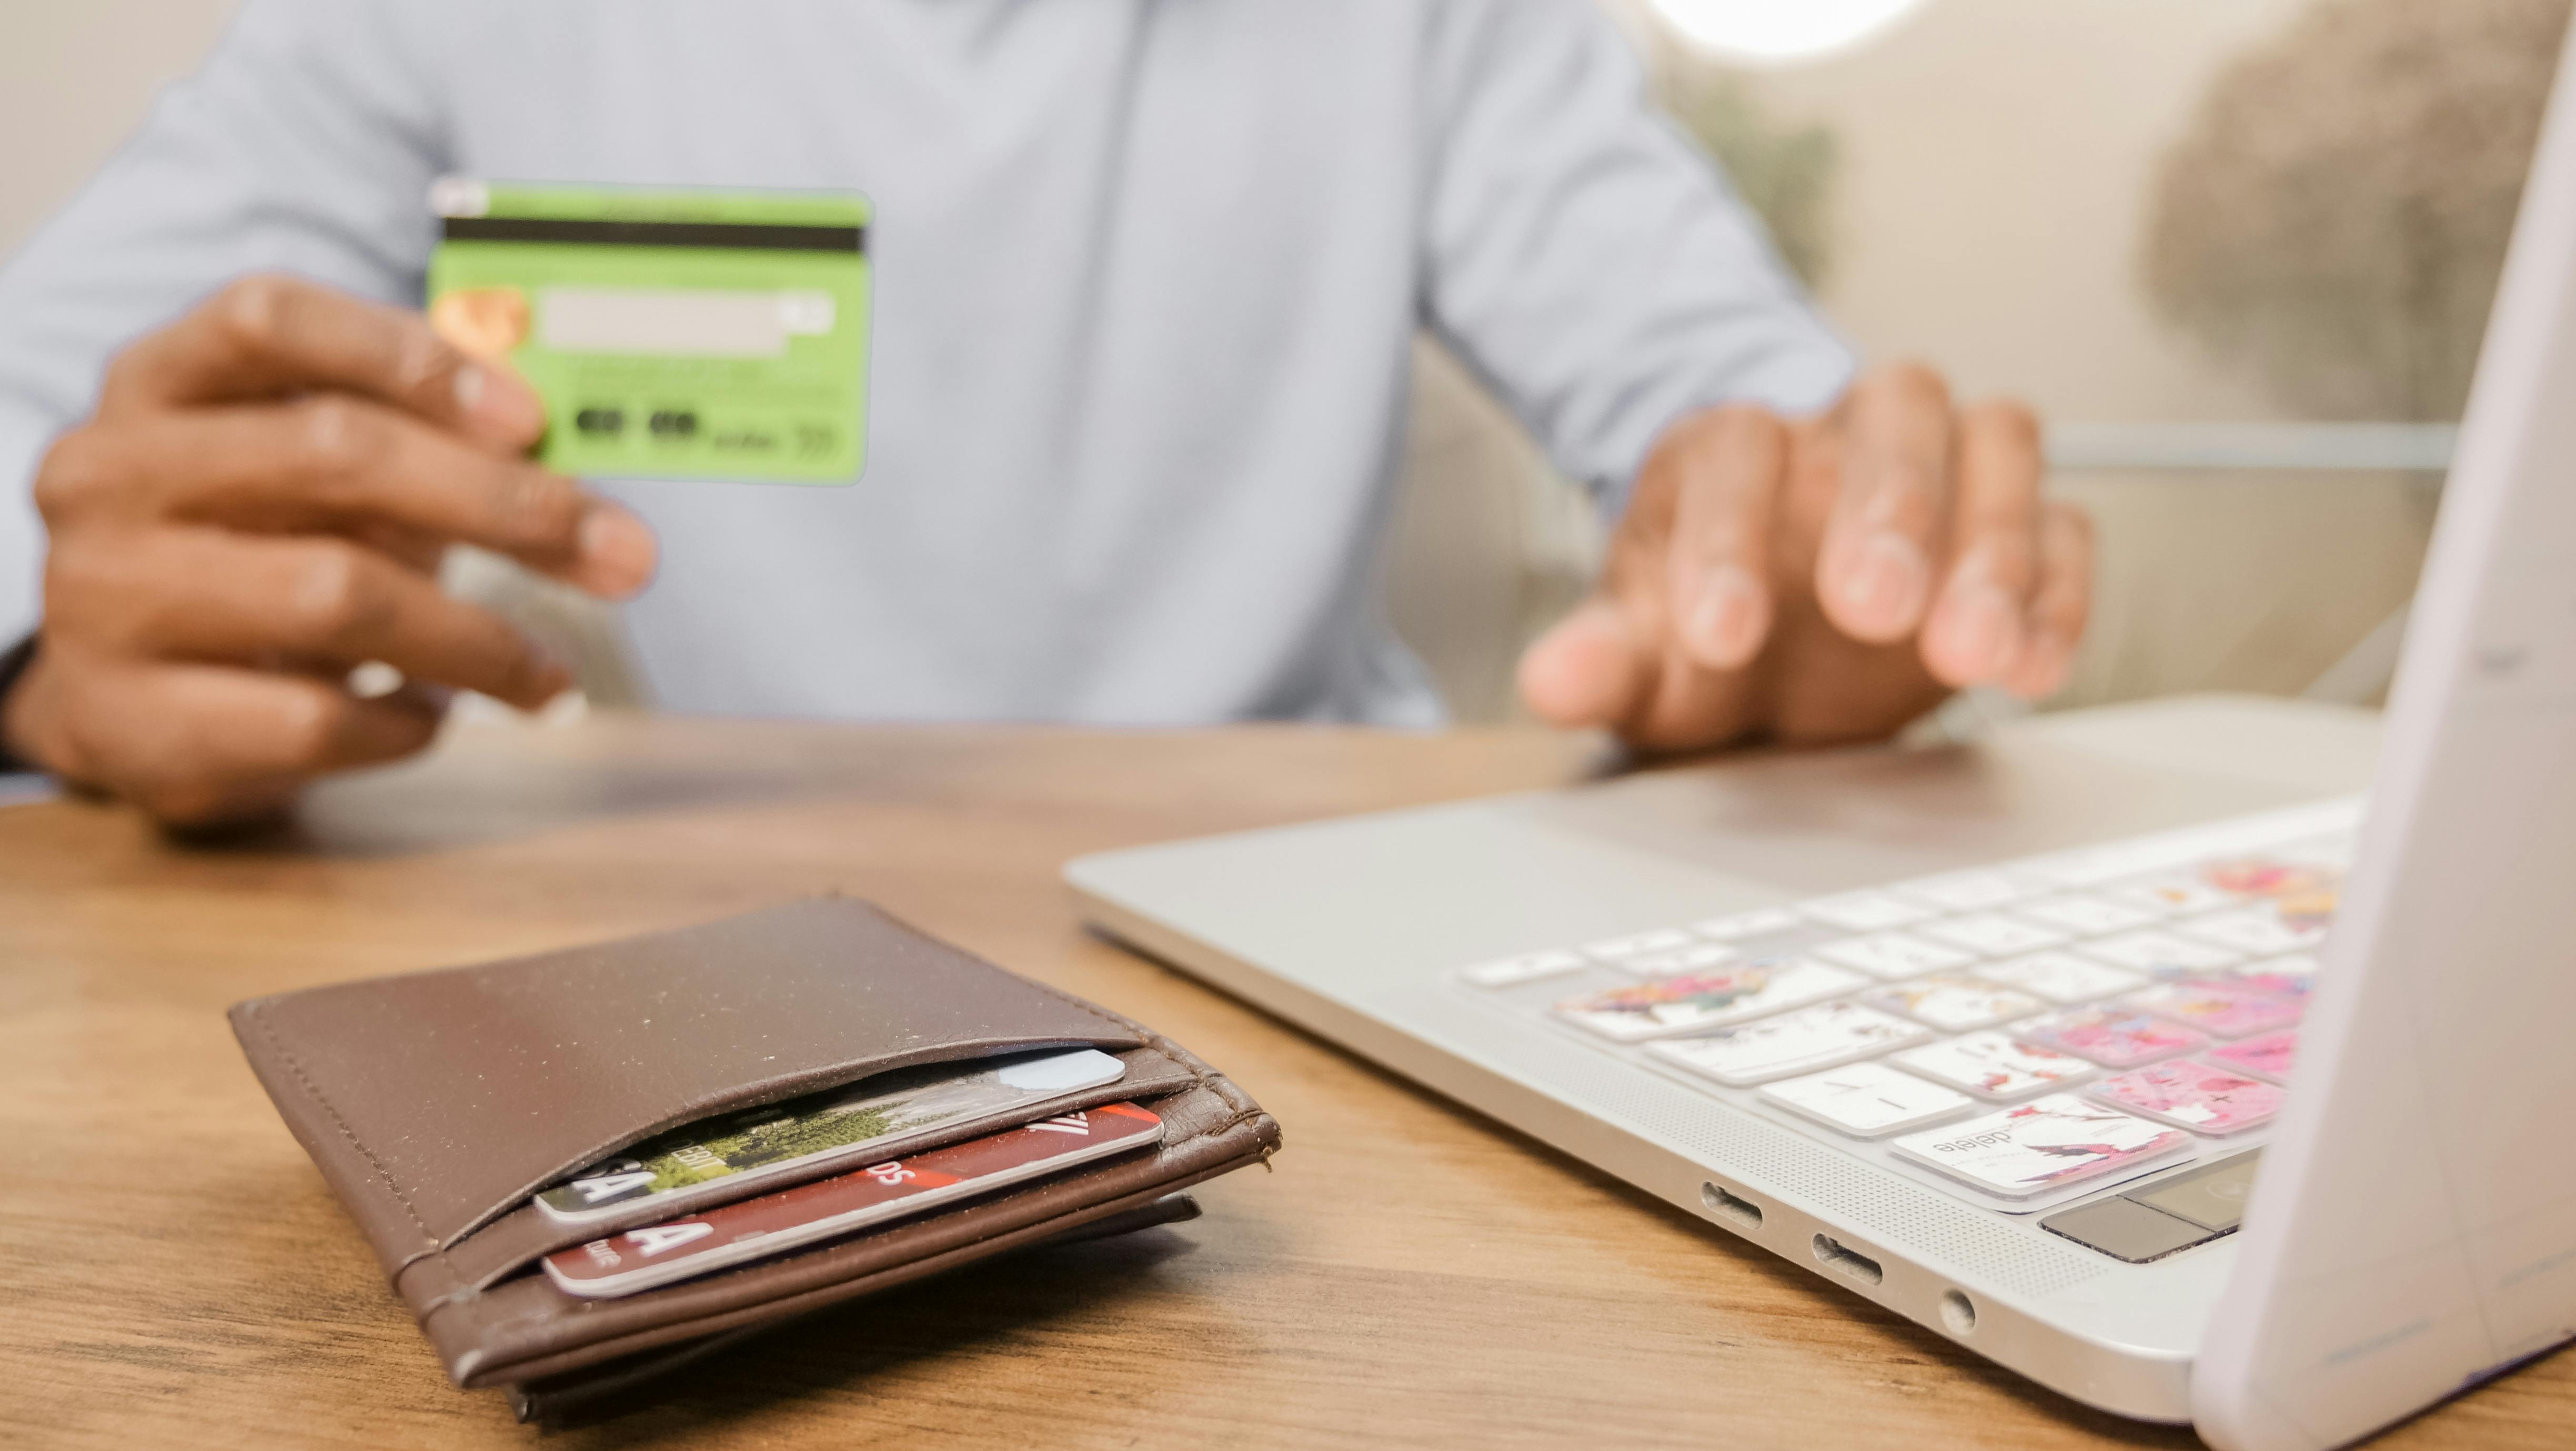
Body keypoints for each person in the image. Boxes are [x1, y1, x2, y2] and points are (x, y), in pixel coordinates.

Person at [0, 0, 2090, 828]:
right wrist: (42, 657)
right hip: (699, 940)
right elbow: (42, 434)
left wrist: (1827, 571)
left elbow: (1738, 415)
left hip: (1304, 921)